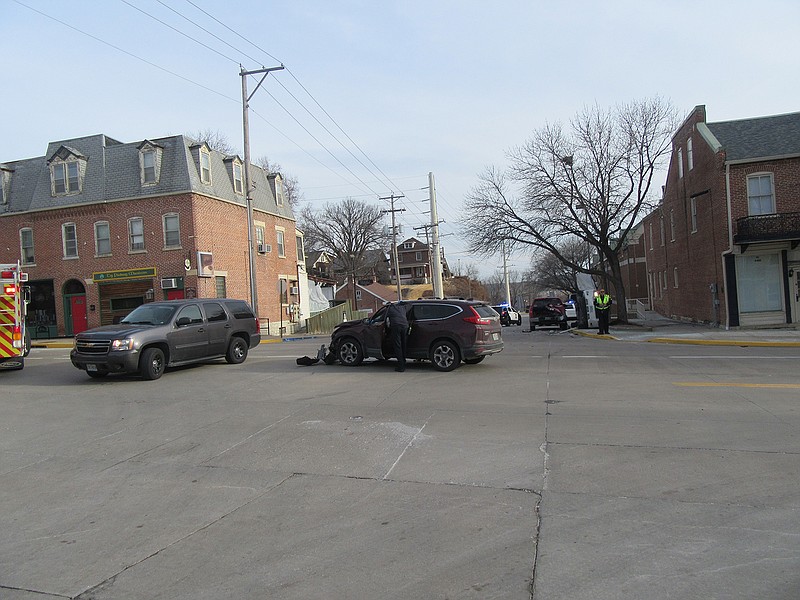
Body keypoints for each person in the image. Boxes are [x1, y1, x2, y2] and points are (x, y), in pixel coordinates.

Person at [385, 301, 409, 372]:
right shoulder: (403, 308)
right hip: (405, 326)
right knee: (403, 344)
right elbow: (409, 305)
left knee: (397, 346)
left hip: (396, 326)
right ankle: (404, 361)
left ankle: (401, 366)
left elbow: (383, 317)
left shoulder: (389, 309)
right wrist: (401, 303)